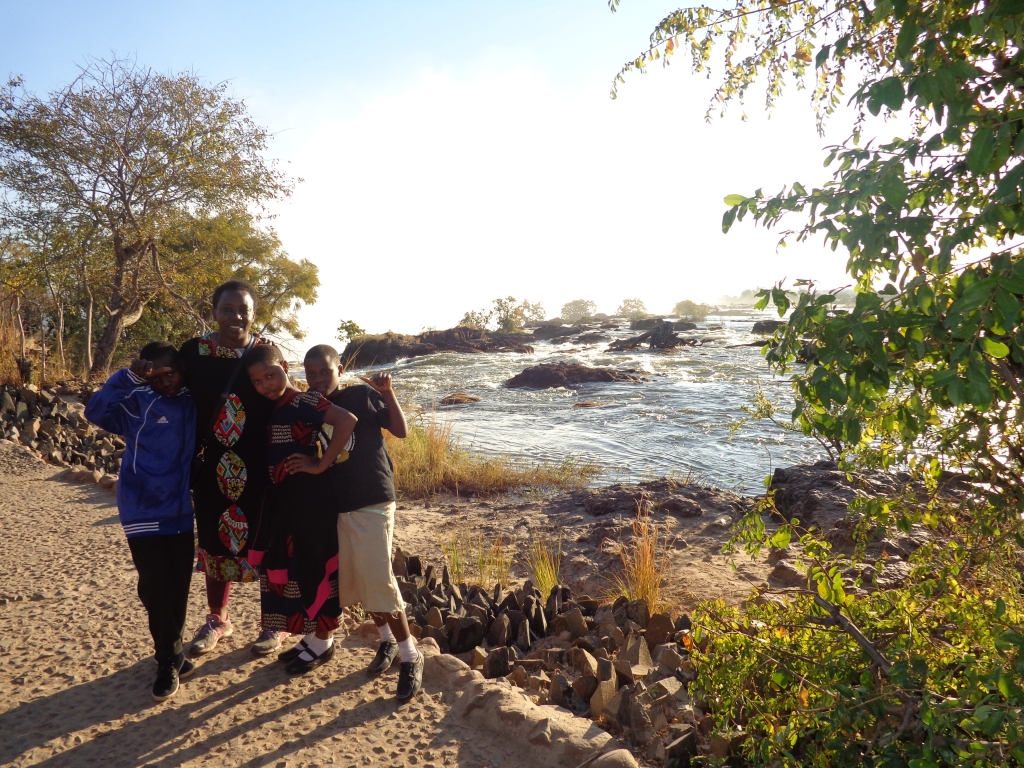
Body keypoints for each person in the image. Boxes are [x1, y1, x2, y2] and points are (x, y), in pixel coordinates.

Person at [303, 344, 423, 701]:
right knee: (357, 577)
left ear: (339, 368)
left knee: (379, 578)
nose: (319, 379)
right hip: (343, 505)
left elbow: (399, 431)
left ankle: (410, 655)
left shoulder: (359, 396)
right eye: (311, 374)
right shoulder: (312, 407)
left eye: (325, 371)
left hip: (374, 498)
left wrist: (388, 393)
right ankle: (386, 641)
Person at [83, 342, 197, 701]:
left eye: (172, 373)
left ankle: (172, 650)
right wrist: (129, 377)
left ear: (182, 369)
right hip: (142, 508)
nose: (166, 382)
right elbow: (96, 411)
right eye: (158, 376)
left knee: (177, 586)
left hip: (180, 509)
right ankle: (167, 660)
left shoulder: (194, 401)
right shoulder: (138, 400)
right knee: (154, 586)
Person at [179, 280, 283, 656]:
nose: (236, 316)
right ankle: (217, 618)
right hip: (212, 468)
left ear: (254, 313)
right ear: (214, 312)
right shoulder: (194, 352)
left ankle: (274, 624)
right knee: (213, 538)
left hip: (262, 468)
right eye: (228, 309)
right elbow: (169, 388)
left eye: (244, 309)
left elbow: (284, 400)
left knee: (266, 542)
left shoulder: (267, 354)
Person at [241, 344, 358, 674]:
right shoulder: (276, 405)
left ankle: (324, 641)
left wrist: (321, 464)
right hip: (289, 502)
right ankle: (313, 637)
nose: (266, 384)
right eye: (258, 381)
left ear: (284, 366)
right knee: (298, 568)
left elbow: (347, 420)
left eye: (271, 375)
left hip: (311, 501)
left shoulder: (303, 400)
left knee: (315, 566)